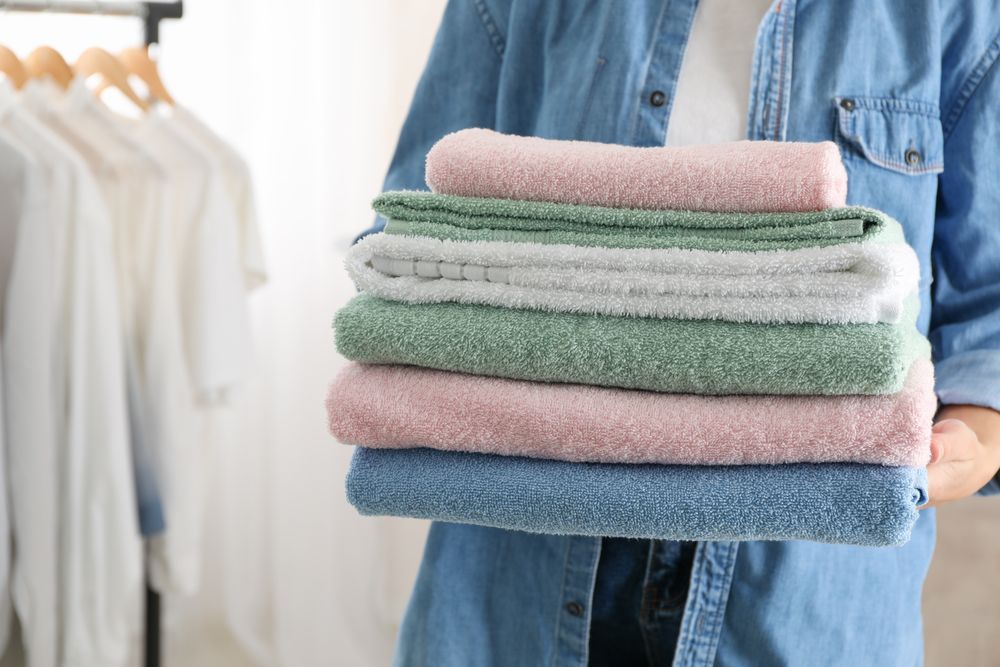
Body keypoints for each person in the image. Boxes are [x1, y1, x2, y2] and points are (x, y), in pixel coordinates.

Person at [358, 1, 1000, 664]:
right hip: (517, 574)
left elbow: (991, 309)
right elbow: (415, 237)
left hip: (802, 601)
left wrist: (972, 441)